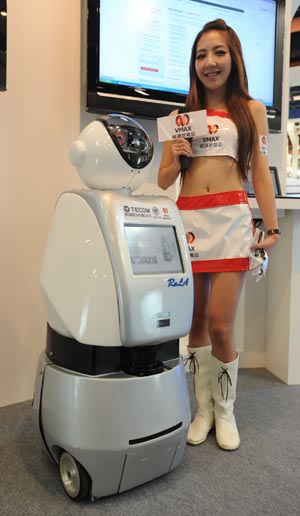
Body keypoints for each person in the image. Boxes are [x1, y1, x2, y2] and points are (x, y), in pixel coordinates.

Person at [157, 19, 280, 451]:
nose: (210, 62)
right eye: (201, 55)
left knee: (222, 326)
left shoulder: (252, 110)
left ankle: (225, 413)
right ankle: (203, 410)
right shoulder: (180, 118)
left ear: (234, 57)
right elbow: (163, 180)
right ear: (194, 64)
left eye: (218, 52)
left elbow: (261, 175)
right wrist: (175, 156)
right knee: (194, 325)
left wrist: (272, 225)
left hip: (230, 223)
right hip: (189, 222)